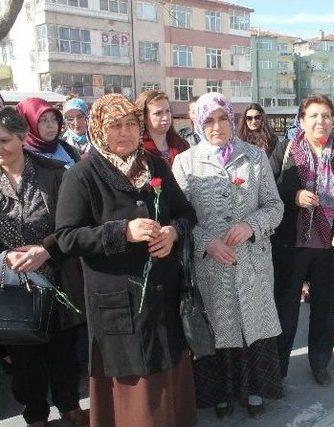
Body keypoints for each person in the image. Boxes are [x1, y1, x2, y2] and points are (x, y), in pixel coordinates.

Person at [55, 93, 198, 427]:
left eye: (131, 124)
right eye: (115, 126)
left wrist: (172, 233)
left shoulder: (154, 164)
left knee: (168, 365)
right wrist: (123, 232)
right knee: (133, 381)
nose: (125, 133)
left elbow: (186, 212)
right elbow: (67, 237)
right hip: (117, 298)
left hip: (162, 292)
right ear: (99, 130)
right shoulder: (82, 174)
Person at [172, 92, 284, 418]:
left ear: (232, 120)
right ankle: (221, 393)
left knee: (253, 324)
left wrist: (252, 225)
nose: (217, 126)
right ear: (198, 123)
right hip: (212, 264)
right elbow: (179, 216)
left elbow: (275, 207)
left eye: (223, 118)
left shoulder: (255, 156)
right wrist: (207, 241)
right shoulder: (186, 162)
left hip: (252, 260)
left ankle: (254, 390)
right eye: (209, 120)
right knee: (221, 327)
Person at [270, 94, 334, 386]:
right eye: (314, 115)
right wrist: (294, 196)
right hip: (293, 246)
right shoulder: (286, 150)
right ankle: (278, 369)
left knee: (325, 308)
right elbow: (269, 188)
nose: (321, 121)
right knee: (287, 307)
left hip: (331, 246)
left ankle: (320, 363)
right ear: (302, 120)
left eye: (326, 115)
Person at [0, 107, 88, 427]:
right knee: (24, 358)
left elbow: (72, 223)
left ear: (23, 138)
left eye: (5, 140)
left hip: (57, 276)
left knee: (63, 352)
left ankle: (69, 406)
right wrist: (4, 259)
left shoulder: (54, 173)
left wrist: (45, 250)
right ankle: (35, 415)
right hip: (12, 285)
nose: (0, 148)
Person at [15, 97, 80, 168]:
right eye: (43, 120)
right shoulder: (19, 158)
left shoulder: (66, 148)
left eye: (54, 119)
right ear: (28, 123)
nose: (51, 125)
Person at [135, 90, 189, 165]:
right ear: (144, 117)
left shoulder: (182, 145)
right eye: (158, 113)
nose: (165, 117)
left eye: (167, 111)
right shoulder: (138, 150)